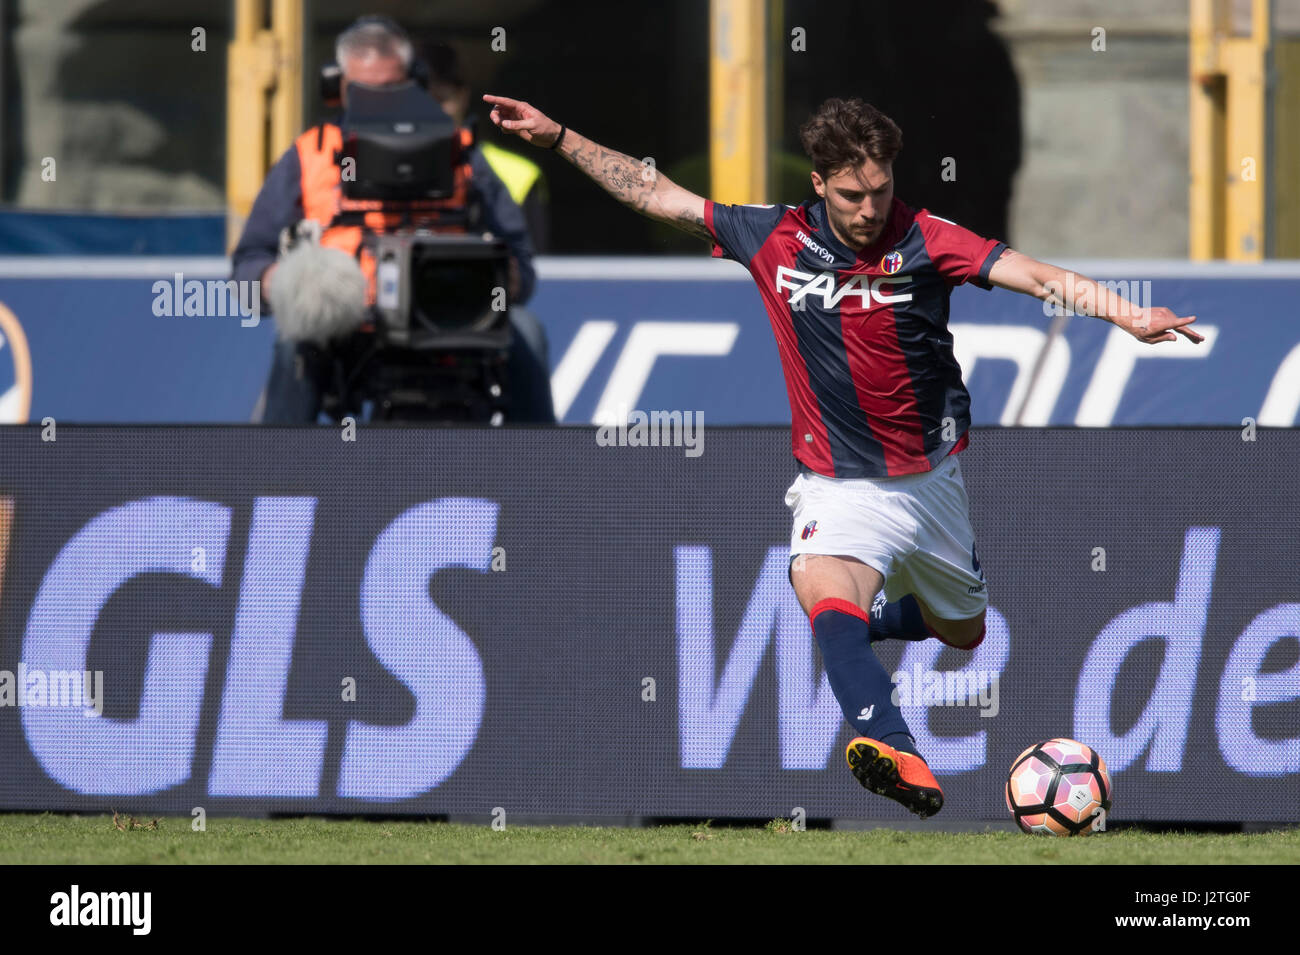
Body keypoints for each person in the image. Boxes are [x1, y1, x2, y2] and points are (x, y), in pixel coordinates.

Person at [481, 92, 1203, 817]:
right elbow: (656, 193)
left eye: (881, 189)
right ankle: (895, 744)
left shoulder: (927, 238)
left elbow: (1040, 277)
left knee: (965, 630)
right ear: (820, 184)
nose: (868, 207)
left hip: (931, 482)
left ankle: (875, 621)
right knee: (823, 591)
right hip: (835, 484)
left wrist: (1128, 315)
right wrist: (559, 137)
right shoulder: (771, 238)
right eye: (853, 194)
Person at [232, 16, 555, 424]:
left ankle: (542, 473)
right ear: (337, 87)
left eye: (390, 89)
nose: (378, 104)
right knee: (292, 341)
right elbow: (246, 270)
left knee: (526, 331)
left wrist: (495, 276)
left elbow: (522, 269)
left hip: (449, 314)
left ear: (416, 82)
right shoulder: (310, 154)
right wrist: (290, 285)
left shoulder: (462, 151)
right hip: (345, 323)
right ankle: (276, 478)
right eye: (363, 92)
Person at [419, 41, 551, 253]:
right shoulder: (372, 166)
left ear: (463, 96)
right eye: (421, 100)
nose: (432, 111)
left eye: (442, 99)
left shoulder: (519, 175)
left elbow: (534, 267)